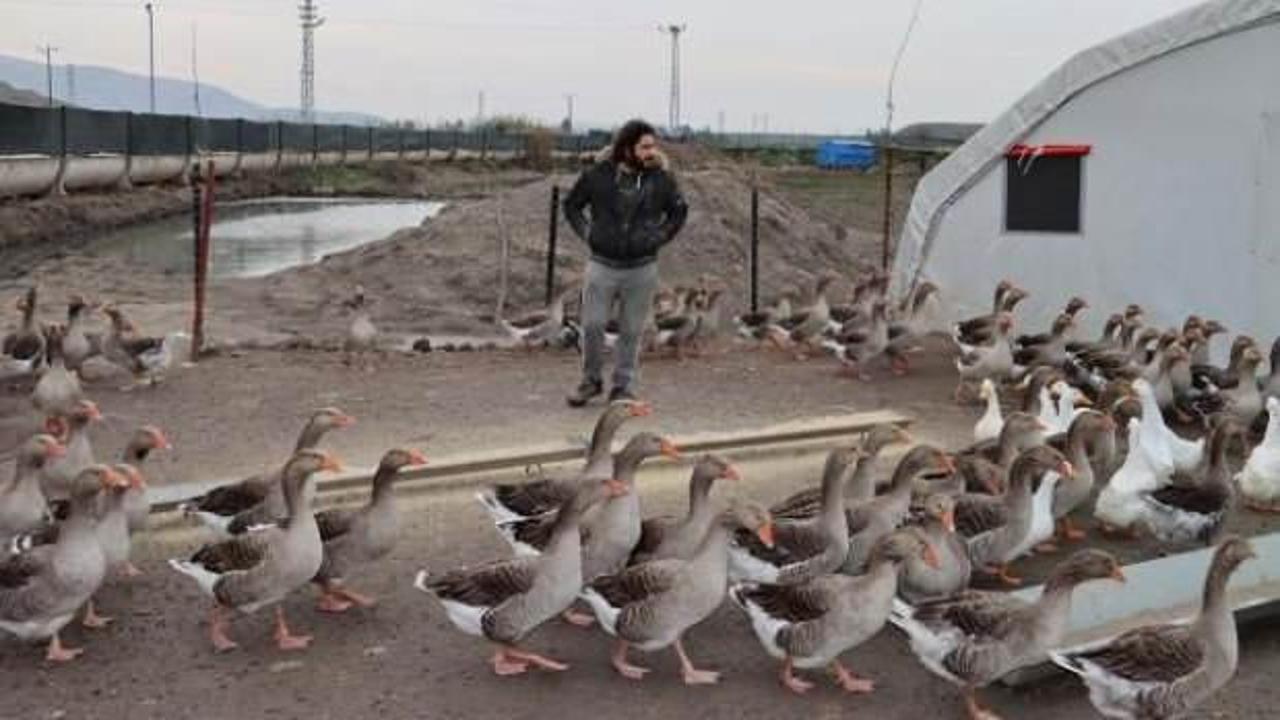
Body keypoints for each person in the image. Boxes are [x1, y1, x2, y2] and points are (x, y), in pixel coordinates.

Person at [562, 119, 689, 407]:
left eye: (653, 146)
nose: (651, 152)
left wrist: (659, 236)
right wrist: (588, 233)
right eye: (645, 146)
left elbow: (679, 212)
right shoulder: (598, 175)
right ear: (627, 148)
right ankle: (590, 382)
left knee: (631, 331)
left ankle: (623, 387)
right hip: (602, 265)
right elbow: (571, 205)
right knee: (592, 326)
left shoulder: (661, 179)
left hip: (642, 268)